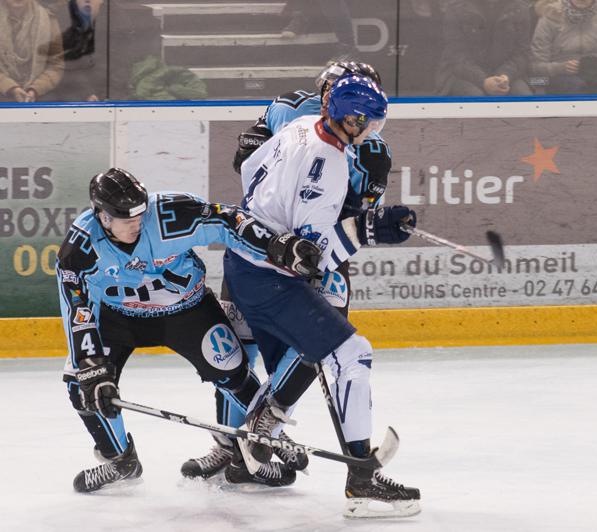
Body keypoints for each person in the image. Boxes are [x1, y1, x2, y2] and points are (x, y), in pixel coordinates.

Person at [181, 60, 392, 486]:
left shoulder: (363, 148)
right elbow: (247, 165)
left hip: (313, 253)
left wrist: (354, 225)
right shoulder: (290, 113)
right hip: (278, 251)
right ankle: (233, 442)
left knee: (306, 355)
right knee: (240, 349)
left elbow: (344, 219)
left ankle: (261, 438)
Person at [227, 75, 421, 518]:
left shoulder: (299, 126)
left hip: (242, 262)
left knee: (300, 357)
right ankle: (362, 480)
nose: (373, 131)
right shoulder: (330, 165)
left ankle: (262, 425)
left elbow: (250, 170)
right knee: (353, 354)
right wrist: (369, 230)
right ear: (351, 121)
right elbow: (310, 259)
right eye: (370, 124)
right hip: (270, 279)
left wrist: (274, 217)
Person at [58, 168, 321, 492]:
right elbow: (77, 306)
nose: (136, 224)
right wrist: (90, 364)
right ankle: (120, 460)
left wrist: (277, 246)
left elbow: (226, 220)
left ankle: (261, 436)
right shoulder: (80, 247)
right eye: (126, 219)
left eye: (139, 215)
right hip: (117, 317)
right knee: (82, 383)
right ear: (102, 216)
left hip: (186, 309)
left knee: (232, 371)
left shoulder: (169, 214)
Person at [435, 0, 534, 96]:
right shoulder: (457, 8)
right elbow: (456, 55)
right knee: (476, 98)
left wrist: (504, 75)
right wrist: (483, 81)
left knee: (523, 96)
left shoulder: (519, 8)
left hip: (508, 75)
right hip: (462, 75)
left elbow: (522, 53)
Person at [531, 0, 597, 94]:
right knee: (577, 86)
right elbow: (535, 67)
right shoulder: (550, 15)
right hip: (556, 79)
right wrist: (560, 68)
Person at [0, 0, 64, 102]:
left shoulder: (48, 19)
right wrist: (11, 87)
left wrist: (35, 89)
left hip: (39, 94)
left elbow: (56, 65)